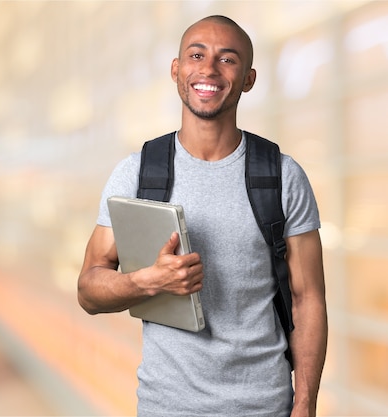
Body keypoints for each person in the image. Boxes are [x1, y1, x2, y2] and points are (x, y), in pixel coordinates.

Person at [77, 15, 327, 417]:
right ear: (177, 70)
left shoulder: (282, 175)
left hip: (265, 406)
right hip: (166, 406)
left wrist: (305, 402)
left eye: (227, 59)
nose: (208, 68)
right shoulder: (137, 172)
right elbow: (88, 290)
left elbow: (308, 297)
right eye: (196, 55)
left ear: (248, 78)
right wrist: (147, 281)